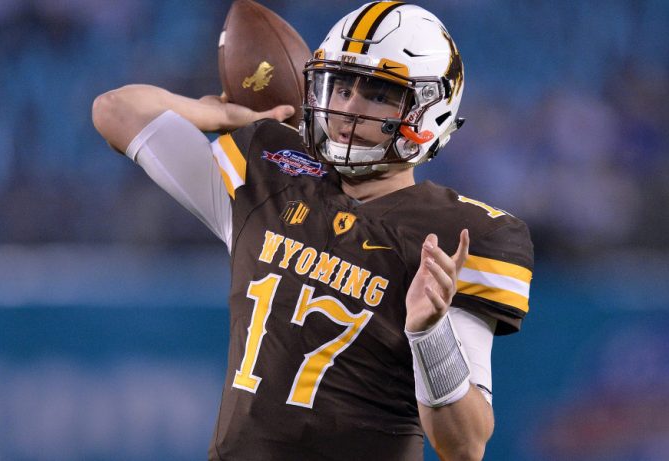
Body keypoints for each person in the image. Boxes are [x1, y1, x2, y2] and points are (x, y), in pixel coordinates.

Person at [92, 2, 533, 460]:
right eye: (341, 87)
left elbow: (464, 445)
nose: (349, 109)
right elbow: (115, 110)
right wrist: (222, 117)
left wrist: (430, 333)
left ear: (428, 112)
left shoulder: (455, 237)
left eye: (378, 95)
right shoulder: (268, 177)